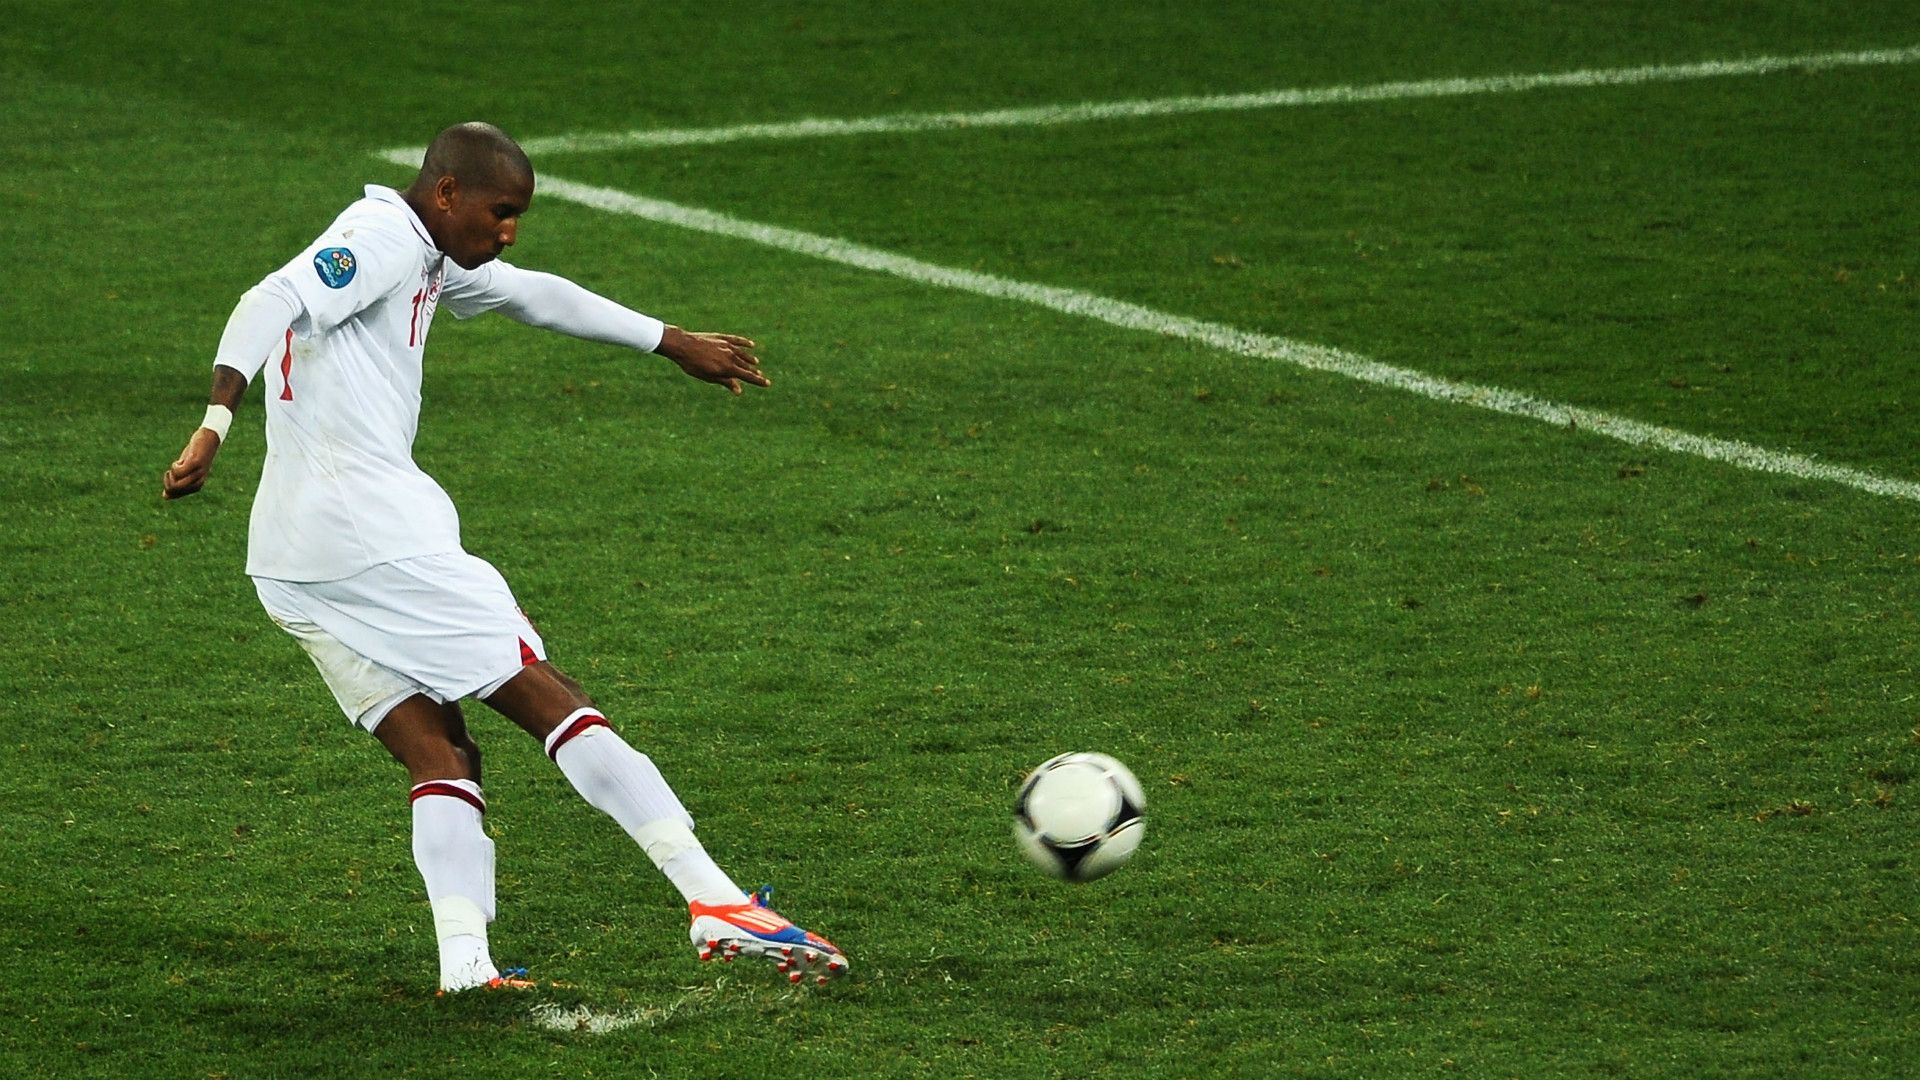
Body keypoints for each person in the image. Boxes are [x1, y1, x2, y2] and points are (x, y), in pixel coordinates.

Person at [161, 122, 846, 993]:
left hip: (294, 562)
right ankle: (715, 898)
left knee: (442, 756)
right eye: (502, 211)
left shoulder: (431, 253)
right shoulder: (376, 238)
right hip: (374, 540)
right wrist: (215, 425)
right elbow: (268, 299)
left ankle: (465, 967)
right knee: (549, 696)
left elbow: (533, 295)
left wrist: (670, 340)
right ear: (447, 193)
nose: (510, 229)